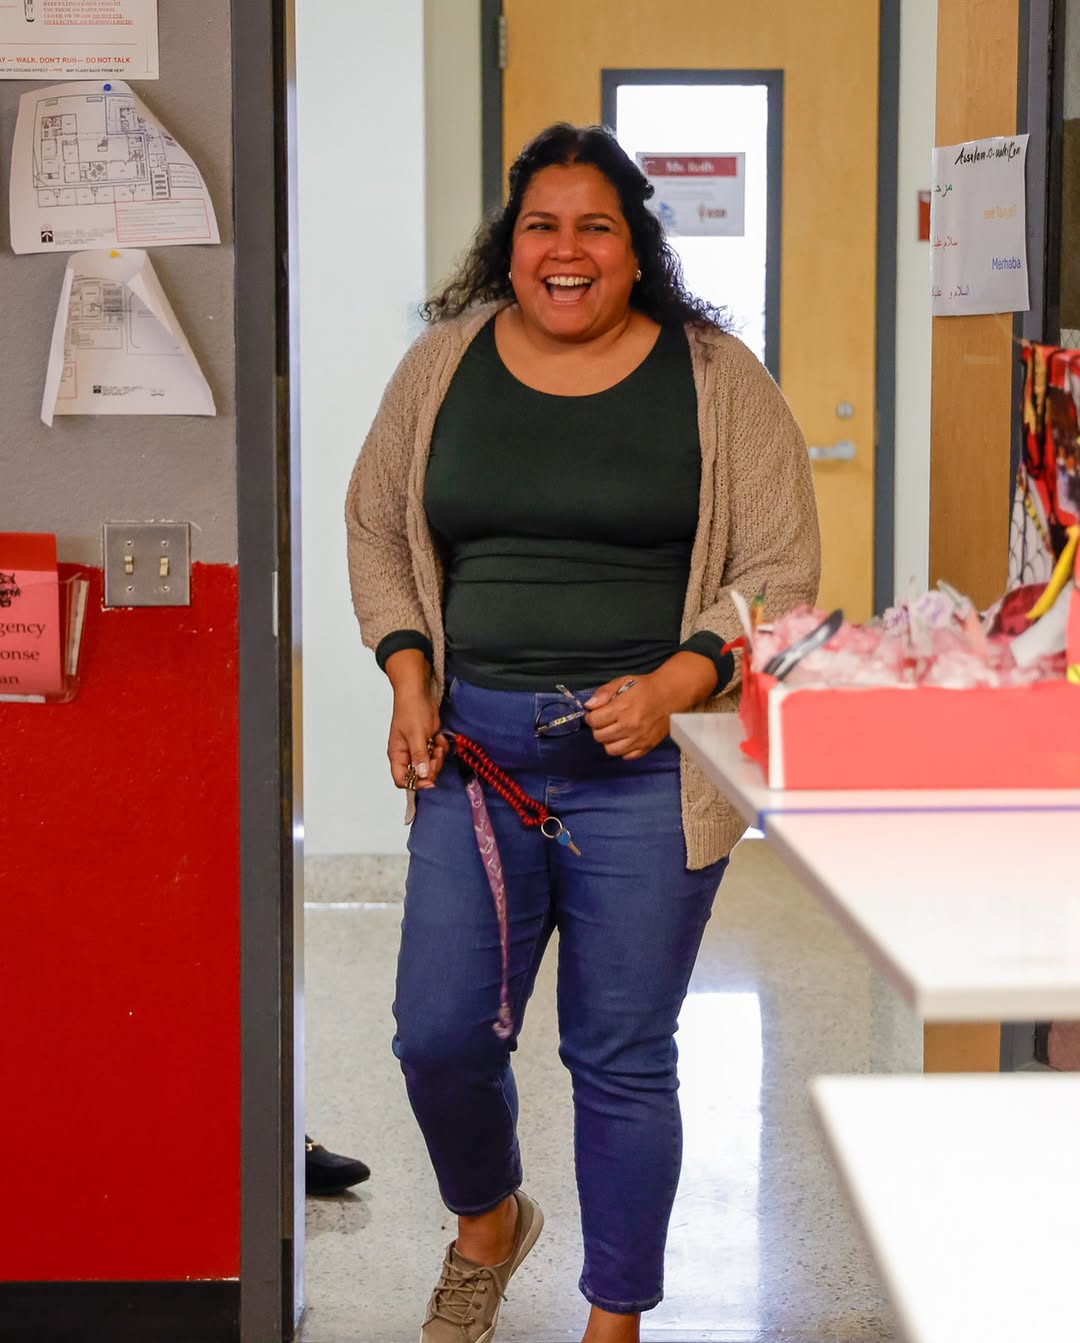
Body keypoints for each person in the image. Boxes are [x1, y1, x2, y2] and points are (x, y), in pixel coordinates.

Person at [345, 123, 820, 1343]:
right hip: (475, 759)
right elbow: (378, 530)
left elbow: (781, 573)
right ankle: (488, 1222)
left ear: (635, 245)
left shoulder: (717, 377)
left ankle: (617, 1320)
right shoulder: (441, 366)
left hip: (647, 768)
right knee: (439, 1036)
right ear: (509, 248)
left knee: (621, 1054)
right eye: (541, 226)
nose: (567, 250)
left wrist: (677, 679)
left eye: (595, 225)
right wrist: (408, 674)